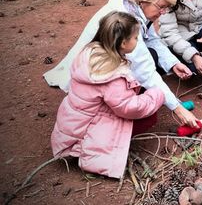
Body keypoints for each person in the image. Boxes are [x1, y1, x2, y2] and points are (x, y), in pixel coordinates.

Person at [43, 0, 199, 127]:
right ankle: (126, 103)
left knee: (152, 55)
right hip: (95, 72)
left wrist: (172, 64)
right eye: (161, 7)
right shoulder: (124, 21)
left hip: (103, 64)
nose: (163, 12)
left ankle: (137, 96)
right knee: (148, 110)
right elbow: (145, 70)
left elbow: (151, 38)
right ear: (144, 0)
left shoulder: (137, 8)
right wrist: (177, 108)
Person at [51, 11, 166, 178]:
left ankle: (81, 145)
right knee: (150, 114)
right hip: (87, 129)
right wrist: (156, 95)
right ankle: (99, 149)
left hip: (74, 123)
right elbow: (128, 108)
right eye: (135, 38)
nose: (137, 40)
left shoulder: (90, 51)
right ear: (124, 43)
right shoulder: (112, 75)